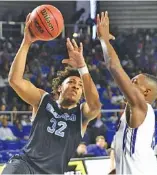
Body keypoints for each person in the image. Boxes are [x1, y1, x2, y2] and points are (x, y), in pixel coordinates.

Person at [2, 13, 101, 174]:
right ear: (60, 88)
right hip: (25, 166)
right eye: (71, 82)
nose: (76, 86)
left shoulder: (81, 114)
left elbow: (95, 105)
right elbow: (15, 80)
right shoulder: (43, 100)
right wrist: (27, 42)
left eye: (80, 85)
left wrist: (83, 67)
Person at [97, 11, 157, 175]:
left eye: (134, 82)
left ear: (145, 91)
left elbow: (114, 67)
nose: (129, 83)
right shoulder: (134, 113)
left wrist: (104, 40)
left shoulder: (142, 106)